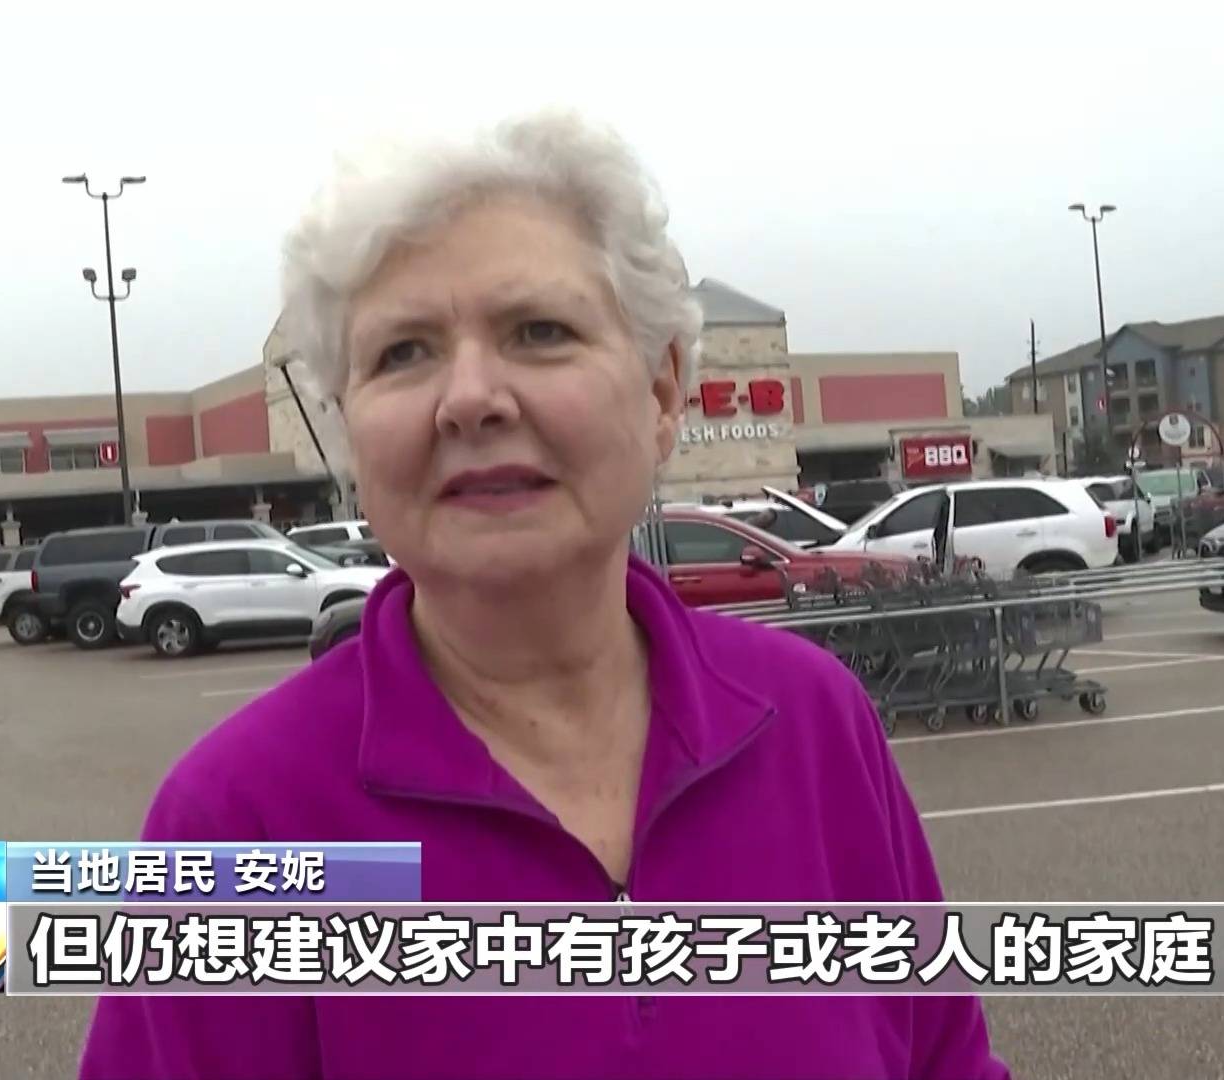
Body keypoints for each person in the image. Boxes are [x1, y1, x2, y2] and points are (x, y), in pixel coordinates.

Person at [79, 111, 1009, 1080]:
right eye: (403, 352)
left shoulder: (814, 724)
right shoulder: (239, 825)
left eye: (539, 332)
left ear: (661, 392)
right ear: (349, 427)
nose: (470, 399)